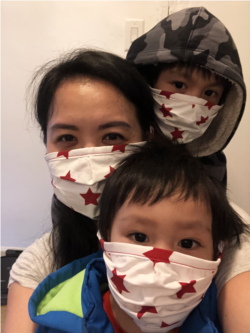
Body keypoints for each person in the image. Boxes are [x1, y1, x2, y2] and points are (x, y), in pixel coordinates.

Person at [3, 49, 156, 333]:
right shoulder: (39, 264)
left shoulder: (211, 232)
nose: (88, 159)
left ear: (147, 137)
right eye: (67, 138)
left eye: (112, 136)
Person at [29, 142, 249, 333]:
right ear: (104, 238)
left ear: (218, 252)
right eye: (140, 236)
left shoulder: (227, 314)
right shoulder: (61, 320)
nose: (159, 262)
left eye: (187, 243)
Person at [126, 7, 250, 332]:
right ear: (147, 82)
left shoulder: (212, 167)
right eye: (179, 84)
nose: (193, 102)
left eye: (210, 94)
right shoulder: (114, 155)